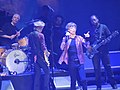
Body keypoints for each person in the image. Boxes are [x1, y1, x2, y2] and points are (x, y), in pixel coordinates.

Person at [86, 15, 117, 90]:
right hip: (95, 52)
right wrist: (89, 47)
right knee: (97, 69)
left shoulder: (103, 27)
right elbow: (88, 41)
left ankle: (113, 83)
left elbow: (109, 37)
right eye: (91, 20)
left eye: (94, 20)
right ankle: (98, 86)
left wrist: (105, 42)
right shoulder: (90, 29)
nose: (93, 21)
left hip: (104, 51)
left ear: (98, 19)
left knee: (108, 67)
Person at [58, 22, 87, 90]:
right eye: (71, 28)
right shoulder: (66, 39)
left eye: (74, 27)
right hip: (71, 62)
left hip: (80, 62)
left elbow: (86, 45)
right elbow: (61, 48)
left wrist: (87, 39)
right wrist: (65, 39)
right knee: (73, 81)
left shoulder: (79, 38)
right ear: (68, 30)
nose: (73, 29)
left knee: (83, 79)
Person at [28, 20, 50, 90]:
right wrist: (46, 54)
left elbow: (29, 45)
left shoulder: (30, 35)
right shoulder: (41, 35)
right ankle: (46, 88)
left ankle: (36, 88)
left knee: (37, 73)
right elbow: (43, 46)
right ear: (39, 27)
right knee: (47, 71)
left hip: (33, 55)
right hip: (40, 55)